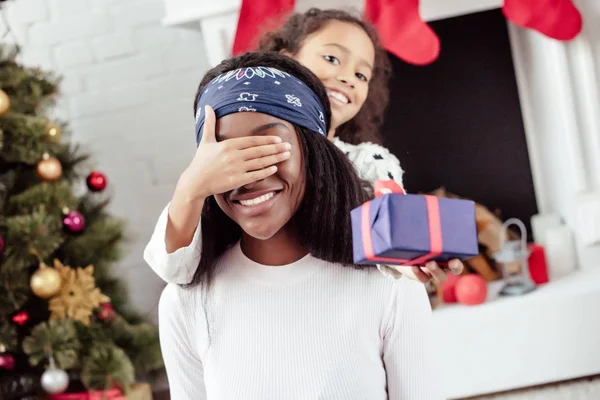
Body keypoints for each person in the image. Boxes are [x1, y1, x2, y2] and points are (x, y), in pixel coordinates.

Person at [158, 51, 442, 399]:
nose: (248, 176)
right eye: (226, 155)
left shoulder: (389, 285)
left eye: (267, 146)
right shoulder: (185, 305)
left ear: (312, 150)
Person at [144, 8, 463, 287]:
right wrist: (191, 187)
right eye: (332, 58)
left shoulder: (368, 164)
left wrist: (408, 258)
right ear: (286, 58)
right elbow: (174, 265)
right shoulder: (232, 158)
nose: (348, 78)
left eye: (361, 74)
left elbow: (387, 222)